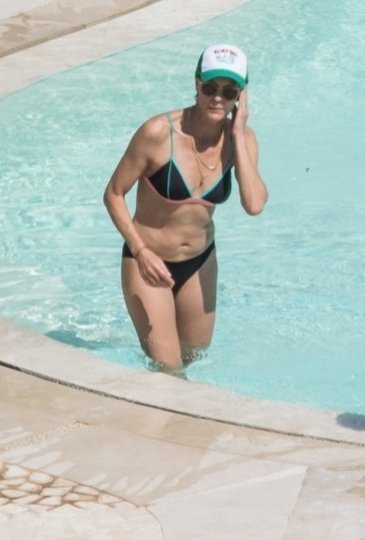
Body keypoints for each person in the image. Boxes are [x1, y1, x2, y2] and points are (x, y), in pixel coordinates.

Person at [103, 44, 268, 372]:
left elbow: (253, 204)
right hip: (148, 262)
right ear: (196, 83)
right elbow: (113, 194)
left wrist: (238, 133)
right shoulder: (158, 133)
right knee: (169, 368)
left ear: (241, 96)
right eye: (210, 88)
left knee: (193, 360)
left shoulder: (241, 139)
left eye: (229, 91)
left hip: (200, 263)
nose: (218, 98)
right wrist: (140, 251)